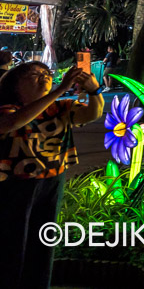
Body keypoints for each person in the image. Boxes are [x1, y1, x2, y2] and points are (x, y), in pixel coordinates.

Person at [0, 62, 103, 288]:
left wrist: (95, 91)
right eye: (35, 74)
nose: (44, 77)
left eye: (47, 74)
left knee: (42, 241)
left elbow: (91, 114)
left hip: (51, 181)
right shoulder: (7, 109)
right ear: (15, 85)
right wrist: (59, 89)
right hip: (12, 185)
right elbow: (11, 123)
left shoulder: (61, 107)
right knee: (10, 241)